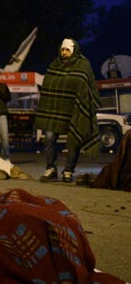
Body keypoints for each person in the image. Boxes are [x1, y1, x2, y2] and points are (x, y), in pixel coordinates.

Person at [35, 38, 101, 183]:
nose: (64, 53)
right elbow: (48, 87)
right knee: (49, 138)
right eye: (62, 50)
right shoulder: (54, 65)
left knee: (74, 140)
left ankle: (68, 171)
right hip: (54, 112)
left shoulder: (83, 65)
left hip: (75, 110)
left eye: (67, 50)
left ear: (74, 51)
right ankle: (51, 169)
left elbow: (86, 86)